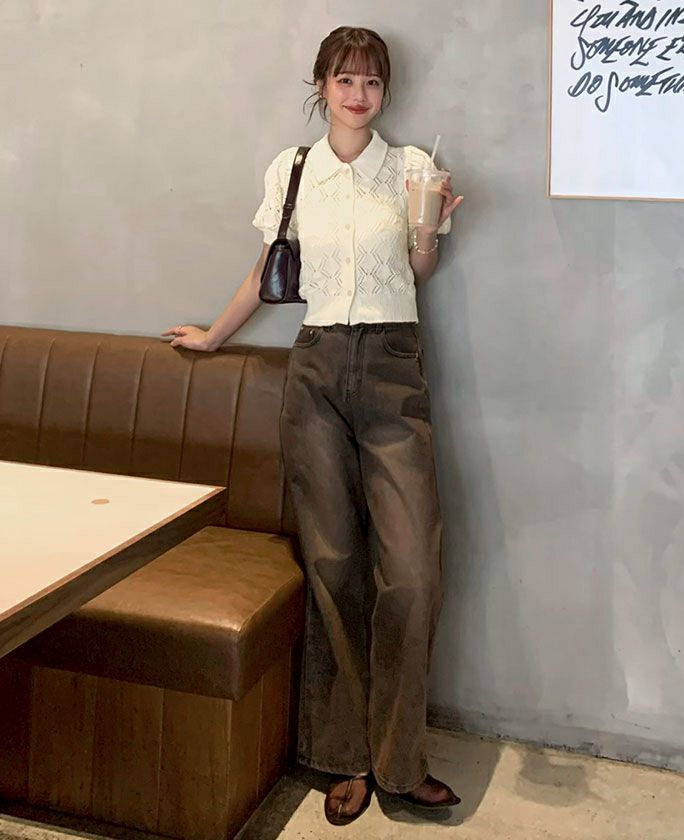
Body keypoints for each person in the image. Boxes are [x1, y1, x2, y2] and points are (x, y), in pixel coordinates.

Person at [162, 25, 464, 827]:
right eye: (345, 79)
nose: (359, 94)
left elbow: (420, 268)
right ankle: (345, 755)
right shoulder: (292, 170)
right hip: (318, 367)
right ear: (322, 86)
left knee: (412, 572)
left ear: (386, 91)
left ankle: (400, 761)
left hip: (394, 366)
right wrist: (214, 335)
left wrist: (428, 227)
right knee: (333, 563)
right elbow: (267, 269)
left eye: (372, 81)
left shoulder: (412, 167)